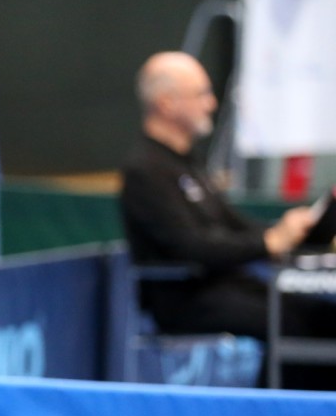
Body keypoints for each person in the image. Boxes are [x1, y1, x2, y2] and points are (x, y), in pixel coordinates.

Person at [120, 51, 336, 388]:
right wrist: (268, 242)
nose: (211, 103)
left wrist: (291, 231)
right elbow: (190, 245)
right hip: (186, 300)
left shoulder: (189, 164)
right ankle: (276, 414)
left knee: (325, 317)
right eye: (201, 94)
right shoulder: (144, 171)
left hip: (229, 287)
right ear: (166, 103)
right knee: (292, 326)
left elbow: (235, 227)